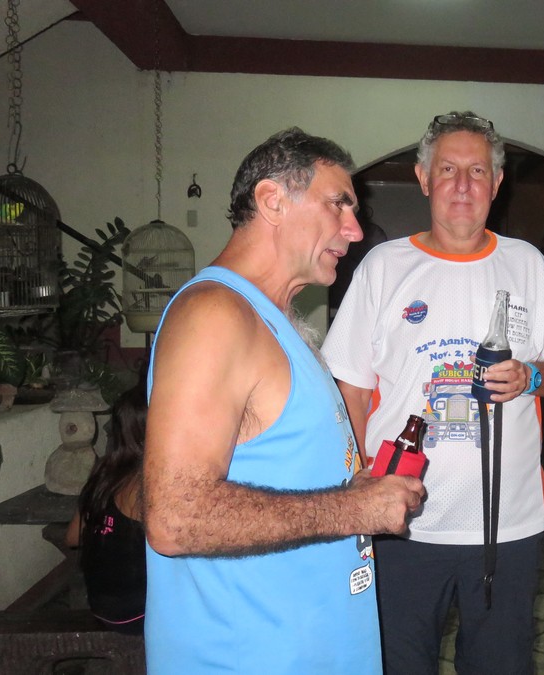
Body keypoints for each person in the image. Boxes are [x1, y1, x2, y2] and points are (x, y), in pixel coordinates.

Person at [142, 128, 426, 674]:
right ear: (272, 200)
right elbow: (177, 517)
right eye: (338, 203)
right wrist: (353, 510)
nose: (355, 229)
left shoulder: (280, 322)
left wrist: (358, 490)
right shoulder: (214, 315)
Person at [322, 111, 544, 674]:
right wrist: (356, 486)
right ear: (423, 178)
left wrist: (532, 376)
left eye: (477, 171)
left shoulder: (526, 264)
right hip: (401, 520)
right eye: (447, 170)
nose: (463, 185)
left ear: (497, 182)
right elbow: (351, 391)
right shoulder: (383, 267)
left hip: (508, 525)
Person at [64, 384, 148, 635]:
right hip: (135, 613)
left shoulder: (103, 471)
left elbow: (72, 537)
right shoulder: (146, 482)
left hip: (101, 606)